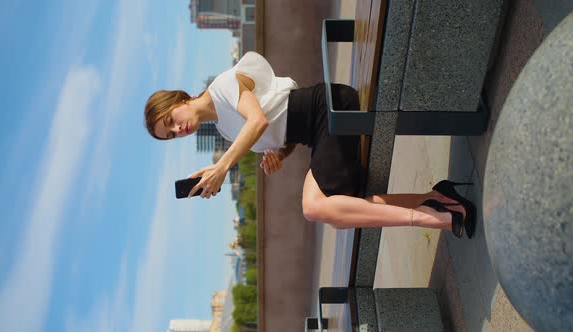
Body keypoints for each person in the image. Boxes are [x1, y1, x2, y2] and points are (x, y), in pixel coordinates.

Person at [143, 52, 476, 238]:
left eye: (170, 120)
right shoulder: (225, 130)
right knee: (340, 212)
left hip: (328, 107)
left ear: (176, 100)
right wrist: (278, 156)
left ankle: (434, 219)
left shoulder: (221, 88)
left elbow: (259, 122)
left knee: (315, 207)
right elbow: (278, 131)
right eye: (171, 134)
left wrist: (222, 167)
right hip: (318, 132)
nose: (178, 129)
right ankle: (435, 200)